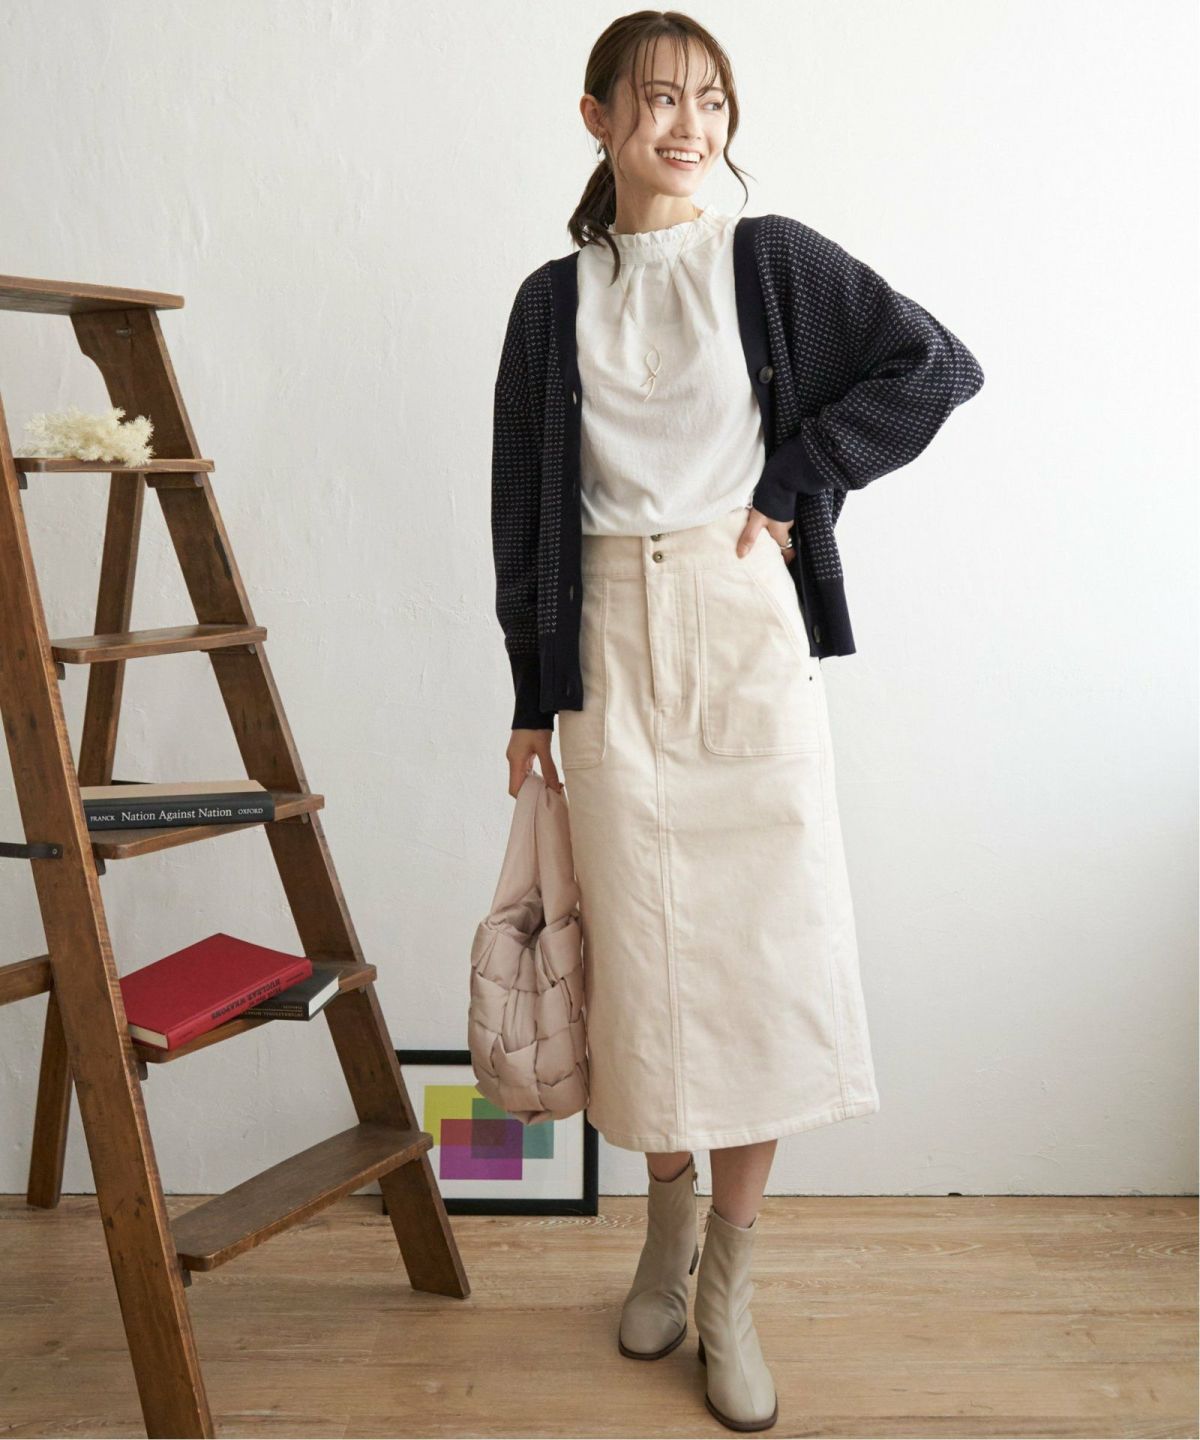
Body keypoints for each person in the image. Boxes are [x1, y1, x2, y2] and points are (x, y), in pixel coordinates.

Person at [489, 12, 983, 1432]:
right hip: (604, 639)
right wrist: (529, 694)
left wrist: (795, 479)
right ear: (597, 117)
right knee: (639, 961)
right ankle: (665, 1232)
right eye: (656, 99)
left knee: (764, 954)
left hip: (741, 620)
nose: (687, 125)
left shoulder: (766, 262)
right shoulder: (550, 302)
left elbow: (937, 366)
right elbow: (521, 505)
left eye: (710, 101)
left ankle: (732, 1287)